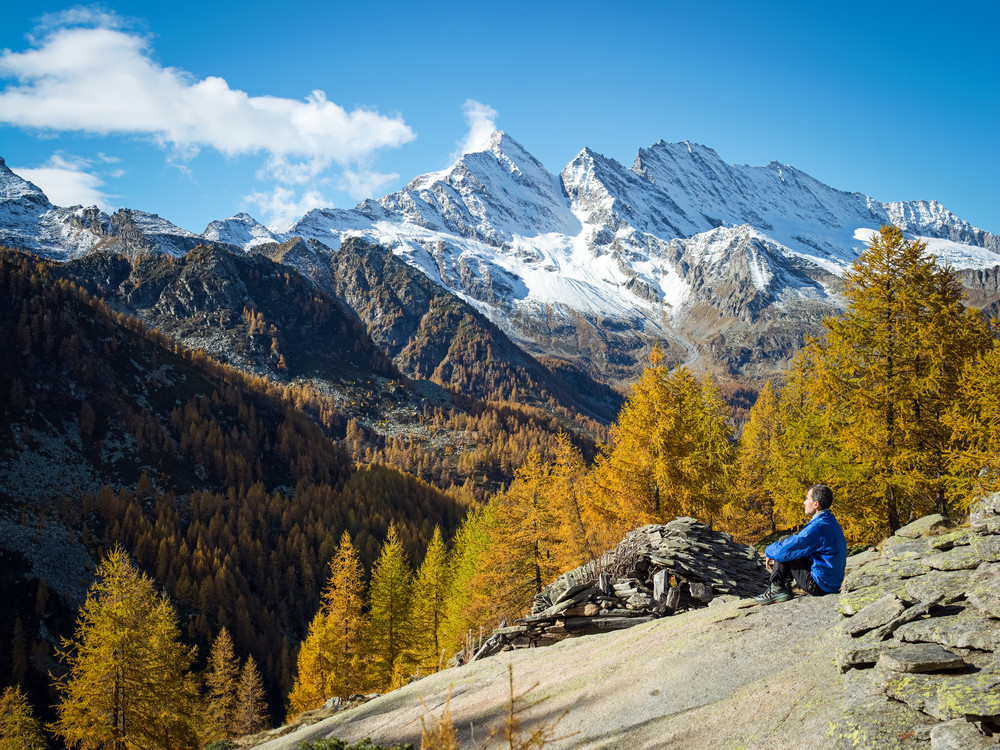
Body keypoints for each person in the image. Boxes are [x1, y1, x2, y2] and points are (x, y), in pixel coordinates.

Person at [754, 484, 847, 605]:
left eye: (808, 499)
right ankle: (781, 586)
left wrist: (768, 551)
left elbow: (784, 551)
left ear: (816, 504)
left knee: (785, 547)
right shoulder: (828, 521)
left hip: (819, 586)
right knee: (788, 540)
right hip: (831, 583)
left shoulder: (818, 527)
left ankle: (778, 588)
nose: (804, 502)